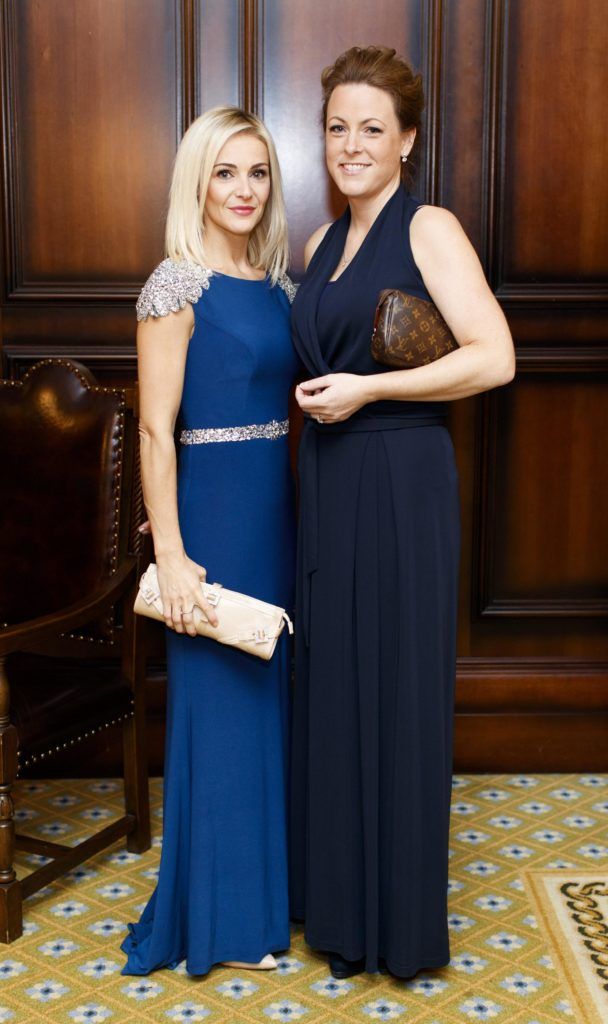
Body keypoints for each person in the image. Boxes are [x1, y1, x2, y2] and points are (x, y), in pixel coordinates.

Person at [289, 46, 515, 980]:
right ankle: (341, 913)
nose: (351, 144)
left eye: (371, 128)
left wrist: (375, 395)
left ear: (407, 140)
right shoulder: (316, 245)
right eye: (337, 127)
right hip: (330, 483)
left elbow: (494, 357)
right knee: (336, 688)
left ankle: (399, 925)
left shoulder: (431, 229)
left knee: (395, 687)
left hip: (399, 477)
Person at [121, 106, 298, 976]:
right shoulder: (175, 284)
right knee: (220, 710)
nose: (243, 189)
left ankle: (264, 905)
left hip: (277, 512)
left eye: (258, 172)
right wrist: (172, 552)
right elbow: (156, 431)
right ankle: (220, 921)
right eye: (225, 172)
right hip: (213, 521)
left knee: (267, 710)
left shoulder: (276, 283)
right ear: (198, 180)